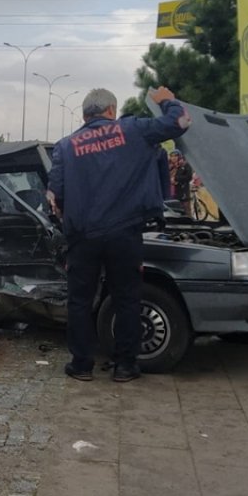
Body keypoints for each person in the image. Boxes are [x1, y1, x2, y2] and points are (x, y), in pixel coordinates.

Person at [48, 87, 191, 383]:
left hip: (83, 237)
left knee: (79, 301)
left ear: (84, 115)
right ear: (111, 111)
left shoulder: (65, 146)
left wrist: (70, 226)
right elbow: (180, 122)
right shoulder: (133, 130)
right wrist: (167, 100)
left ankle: (82, 365)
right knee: (127, 298)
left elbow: (54, 197)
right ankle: (125, 366)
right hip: (124, 233)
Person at [170, 150, 194, 214]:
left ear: (180, 156)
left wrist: (176, 178)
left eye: (176, 156)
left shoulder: (185, 165)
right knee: (175, 210)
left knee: (186, 209)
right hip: (172, 192)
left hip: (183, 191)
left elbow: (189, 177)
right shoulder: (171, 167)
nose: (174, 158)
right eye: (172, 156)